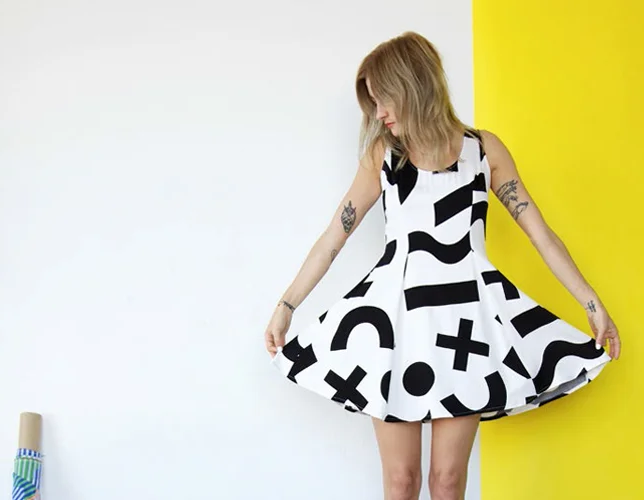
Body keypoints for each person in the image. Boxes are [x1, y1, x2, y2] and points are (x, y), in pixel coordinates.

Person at [263, 31, 621, 500]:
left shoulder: (483, 151)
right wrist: (287, 306)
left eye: (382, 98)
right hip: (396, 328)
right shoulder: (384, 159)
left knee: (448, 482)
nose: (378, 114)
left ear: (411, 84)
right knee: (401, 481)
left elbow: (541, 235)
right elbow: (335, 236)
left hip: (464, 328)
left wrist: (592, 305)